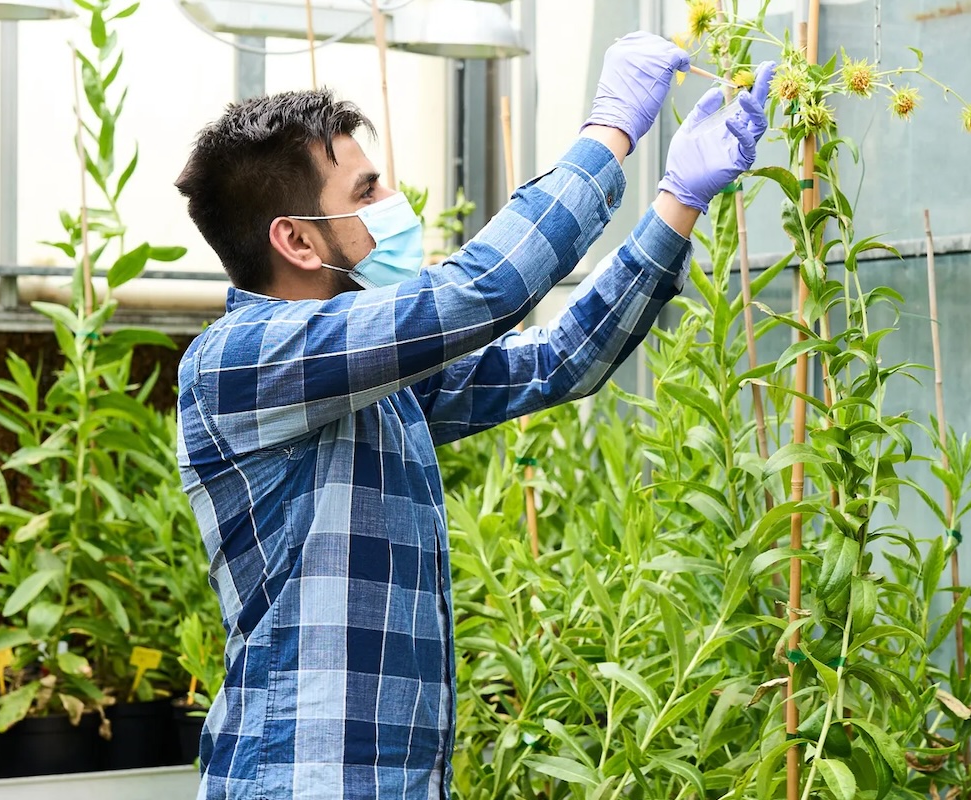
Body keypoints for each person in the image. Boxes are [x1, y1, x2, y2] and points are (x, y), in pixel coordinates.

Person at [171, 30, 775, 799]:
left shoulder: (368, 378)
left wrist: (677, 205)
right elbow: (479, 292)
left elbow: (556, 363)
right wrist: (609, 135)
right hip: (302, 779)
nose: (394, 205)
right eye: (365, 192)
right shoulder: (242, 361)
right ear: (292, 238)